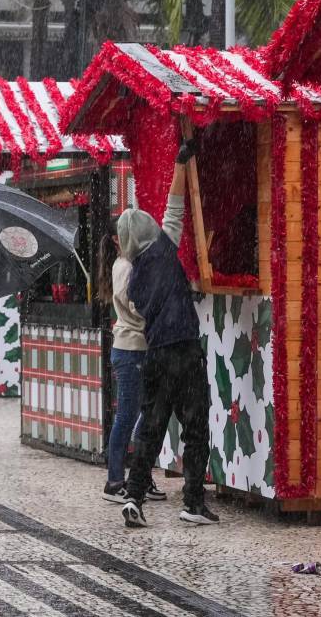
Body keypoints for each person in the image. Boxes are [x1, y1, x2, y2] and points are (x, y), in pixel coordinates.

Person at [121, 136, 219, 528]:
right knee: (195, 428)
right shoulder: (164, 247)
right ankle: (193, 502)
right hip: (185, 352)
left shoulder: (133, 279)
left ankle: (134, 496)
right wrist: (182, 161)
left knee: (151, 425)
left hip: (156, 356)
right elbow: (174, 209)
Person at [102, 214, 166, 505]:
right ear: (118, 239)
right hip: (131, 350)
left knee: (143, 415)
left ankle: (140, 476)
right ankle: (115, 482)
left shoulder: (130, 264)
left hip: (137, 348)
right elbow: (135, 306)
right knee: (128, 416)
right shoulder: (124, 266)